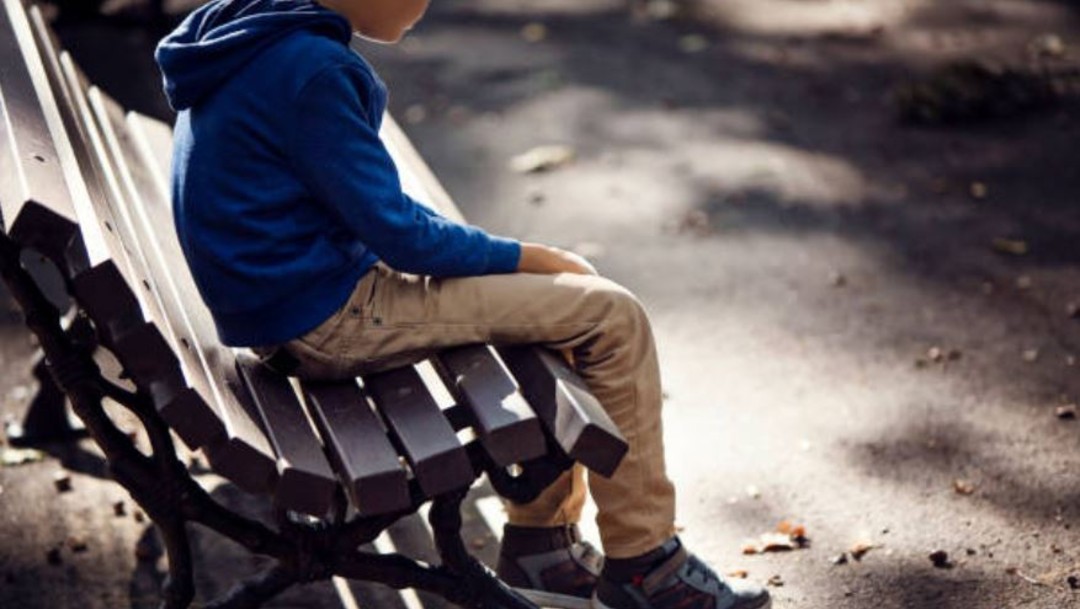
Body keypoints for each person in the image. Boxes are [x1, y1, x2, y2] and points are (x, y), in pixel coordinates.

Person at [154, 1, 771, 609]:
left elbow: (374, 207)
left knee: (555, 308)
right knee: (611, 315)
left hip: (284, 305)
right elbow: (402, 235)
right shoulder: (313, 67)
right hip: (329, 317)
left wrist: (519, 264)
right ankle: (646, 569)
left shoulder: (249, 28)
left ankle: (543, 547)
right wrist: (531, 256)